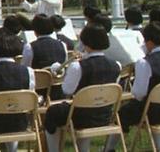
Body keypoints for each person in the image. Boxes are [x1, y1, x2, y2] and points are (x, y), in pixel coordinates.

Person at [43, 24, 121, 152]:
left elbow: (67, 90)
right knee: (85, 105)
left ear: (86, 43)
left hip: (81, 116)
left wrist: (73, 67)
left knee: (53, 111)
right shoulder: (116, 65)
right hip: (105, 114)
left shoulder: (78, 67)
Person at [105, 21, 160, 151]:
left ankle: (108, 149)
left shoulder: (145, 62)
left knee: (122, 113)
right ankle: (159, 147)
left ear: (149, 42)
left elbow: (139, 93)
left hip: (153, 111)